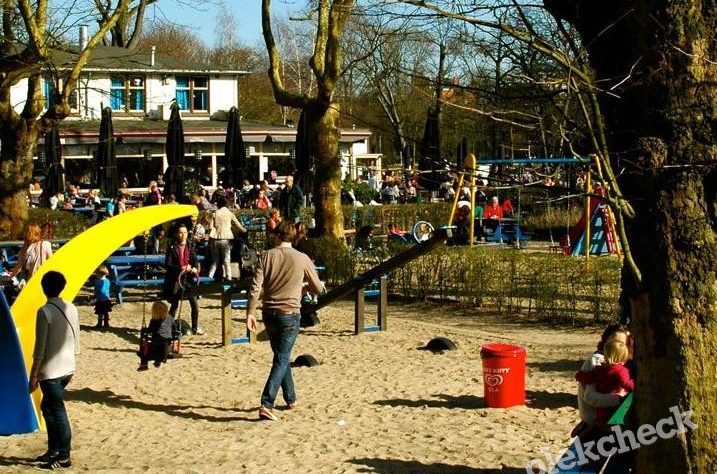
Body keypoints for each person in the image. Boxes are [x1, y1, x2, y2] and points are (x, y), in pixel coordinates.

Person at [246, 221, 325, 421]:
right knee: (281, 358)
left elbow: (255, 287)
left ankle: (290, 398)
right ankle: (266, 402)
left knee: (281, 355)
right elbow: (317, 286)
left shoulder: (267, 256)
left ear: (277, 235)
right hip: (290, 312)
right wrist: (304, 289)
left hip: (269, 312)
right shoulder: (302, 258)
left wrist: (250, 312)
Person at [29, 271, 80, 470]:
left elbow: (39, 349)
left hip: (51, 370)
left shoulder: (45, 312)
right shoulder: (72, 307)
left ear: (43, 287)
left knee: (56, 411)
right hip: (68, 366)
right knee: (48, 408)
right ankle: (54, 450)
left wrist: (33, 376)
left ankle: (64, 454)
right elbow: (76, 337)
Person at [573, 324, 631, 438]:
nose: (615, 346)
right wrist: (619, 399)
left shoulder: (616, 364)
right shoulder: (598, 361)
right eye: (612, 341)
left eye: (621, 344)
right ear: (605, 341)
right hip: (596, 423)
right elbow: (590, 397)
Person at [164, 224, 203, 335]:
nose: (183, 235)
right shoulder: (172, 247)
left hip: (188, 279)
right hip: (176, 279)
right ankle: (167, 328)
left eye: (185, 232)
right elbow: (168, 264)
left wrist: (194, 268)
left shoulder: (190, 246)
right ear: (177, 234)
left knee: (194, 304)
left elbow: (194, 260)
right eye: (181, 232)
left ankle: (195, 327)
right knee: (175, 304)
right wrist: (180, 268)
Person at [207, 195, 247, 282]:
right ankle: (228, 277)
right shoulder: (230, 214)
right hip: (226, 239)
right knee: (226, 260)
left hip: (215, 238)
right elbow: (238, 226)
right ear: (227, 204)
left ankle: (209, 277)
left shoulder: (215, 213)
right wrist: (244, 230)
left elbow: (210, 227)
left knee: (215, 261)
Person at [9, 223, 53, 289]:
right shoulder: (46, 244)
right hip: (44, 280)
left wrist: (9, 277)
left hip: (31, 282)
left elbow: (18, 268)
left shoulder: (24, 249)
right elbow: (51, 262)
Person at [137, 302, 173, 371]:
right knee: (161, 347)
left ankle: (144, 364)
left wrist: (144, 329)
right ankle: (158, 361)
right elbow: (174, 326)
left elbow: (150, 330)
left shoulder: (154, 321)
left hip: (155, 344)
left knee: (143, 350)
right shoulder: (170, 318)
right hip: (167, 344)